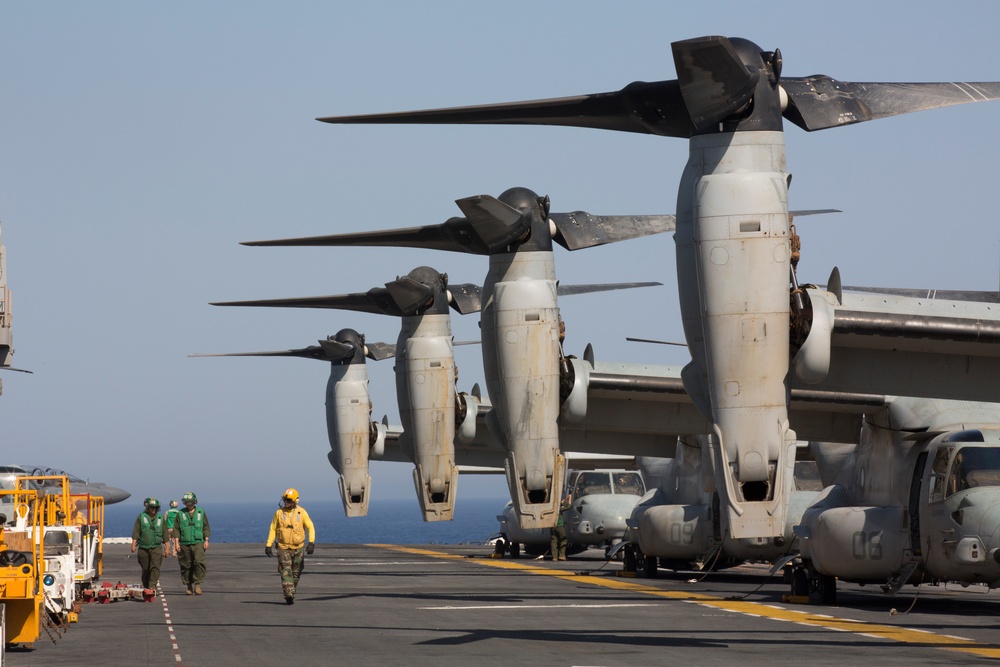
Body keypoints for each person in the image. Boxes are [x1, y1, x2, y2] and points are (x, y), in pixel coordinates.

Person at [265, 488, 315, 605]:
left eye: (289, 500)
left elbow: (310, 527)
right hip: (283, 548)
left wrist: (311, 543)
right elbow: (273, 529)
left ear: (295, 501)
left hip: (298, 548)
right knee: (286, 571)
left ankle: (291, 591)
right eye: (285, 500)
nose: (286, 502)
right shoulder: (279, 513)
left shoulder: (302, 513)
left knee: (296, 573)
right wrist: (268, 545)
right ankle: (288, 594)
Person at [173, 492, 210, 595]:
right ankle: (189, 586)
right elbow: (176, 530)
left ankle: (197, 584)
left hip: (198, 542)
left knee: (199, 563)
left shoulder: (201, 512)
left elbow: (206, 527)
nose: (188, 504)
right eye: (186, 502)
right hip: (184, 543)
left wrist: (206, 540)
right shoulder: (180, 513)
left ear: (194, 501)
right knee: (186, 565)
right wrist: (176, 543)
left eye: (190, 502)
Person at [131, 497, 168, 589]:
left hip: (156, 547)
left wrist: (167, 548)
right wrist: (133, 544)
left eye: (155, 508)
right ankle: (146, 586)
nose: (153, 510)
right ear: (148, 508)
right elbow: (136, 531)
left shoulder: (160, 518)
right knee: (146, 569)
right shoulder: (141, 517)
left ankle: (152, 587)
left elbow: (165, 534)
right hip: (144, 547)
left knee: (155, 567)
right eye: (152, 507)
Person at [549, 493, 573, 561]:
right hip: (559, 525)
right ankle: (562, 555)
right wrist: (570, 499)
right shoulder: (558, 508)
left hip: (552, 525)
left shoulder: (551, 507)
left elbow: (560, 503)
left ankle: (554, 557)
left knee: (554, 541)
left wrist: (565, 499)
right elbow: (568, 506)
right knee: (564, 539)